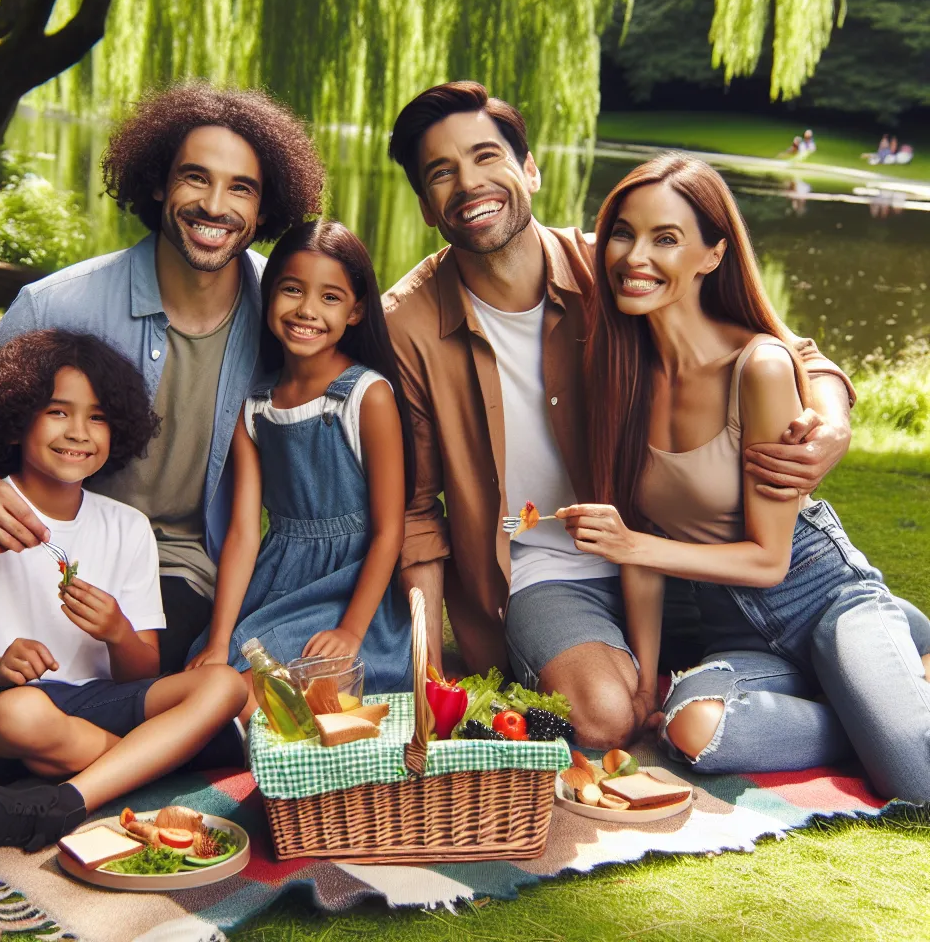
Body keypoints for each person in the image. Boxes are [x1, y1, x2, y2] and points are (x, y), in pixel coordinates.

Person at [382, 81, 856, 749]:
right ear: (428, 206)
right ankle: (794, 702)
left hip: (676, 554)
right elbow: (416, 512)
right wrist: (429, 670)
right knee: (605, 719)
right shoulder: (405, 323)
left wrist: (832, 420)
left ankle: (853, 679)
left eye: (487, 156)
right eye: (441, 172)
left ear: (529, 169)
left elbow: (787, 349)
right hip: (546, 569)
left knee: (834, 638)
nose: (469, 183)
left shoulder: (615, 266)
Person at [0, 84, 325, 675]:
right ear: (158, 183)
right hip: (39, 547)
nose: (215, 205)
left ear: (264, 209)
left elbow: (355, 398)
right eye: (195, 178)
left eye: (241, 188)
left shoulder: (284, 312)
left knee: (119, 677)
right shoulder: (57, 304)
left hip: (174, 568)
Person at [559, 153, 930, 802]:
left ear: (712, 256)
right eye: (623, 232)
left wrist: (629, 544)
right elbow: (640, 543)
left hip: (825, 599)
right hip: (734, 630)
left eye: (666, 238)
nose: (634, 256)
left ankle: (888, 696)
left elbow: (767, 559)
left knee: (917, 778)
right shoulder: (620, 374)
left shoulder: (757, 366)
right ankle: (875, 704)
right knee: (691, 731)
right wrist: (646, 679)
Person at [0, 331, 249, 852]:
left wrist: (116, 631)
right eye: (58, 412)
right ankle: (170, 758)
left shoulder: (128, 527)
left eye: (98, 417)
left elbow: (141, 672)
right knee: (27, 713)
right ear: (18, 418)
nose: (79, 432)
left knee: (224, 686)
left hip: (85, 704)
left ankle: (64, 800)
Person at [186, 220, 415, 716]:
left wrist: (352, 631)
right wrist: (218, 636)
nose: (307, 311)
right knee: (207, 677)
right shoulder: (255, 407)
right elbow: (245, 534)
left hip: (352, 591)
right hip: (278, 579)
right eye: (292, 290)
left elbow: (388, 531)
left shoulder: (366, 396)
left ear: (355, 311)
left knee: (256, 698)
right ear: (270, 296)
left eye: (330, 298)